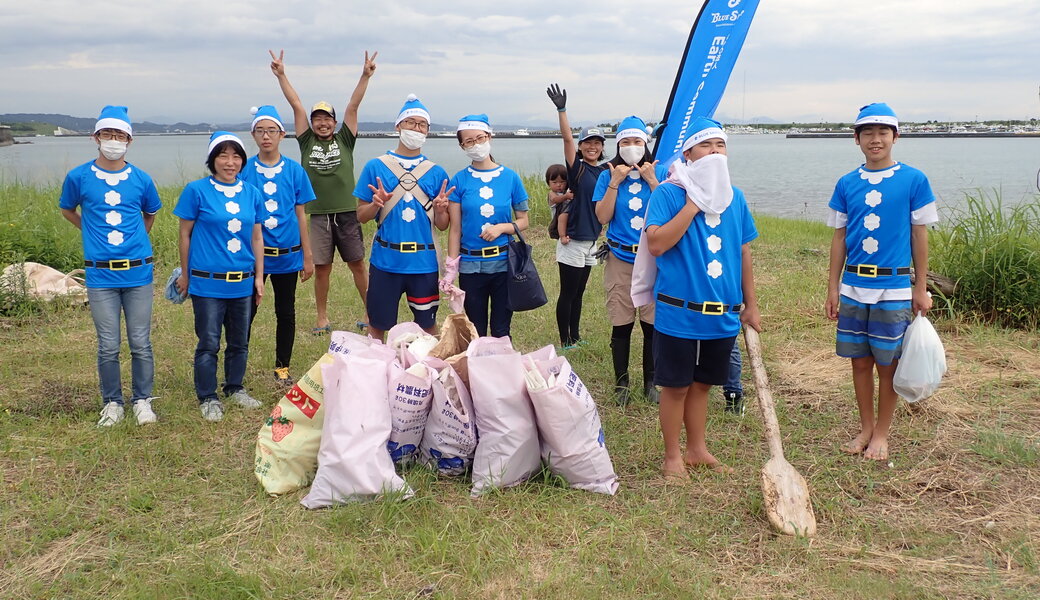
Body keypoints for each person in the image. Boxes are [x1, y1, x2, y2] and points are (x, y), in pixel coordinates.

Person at [644, 117, 761, 479]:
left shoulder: (734, 197)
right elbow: (658, 244)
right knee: (676, 386)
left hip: (722, 313)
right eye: (706, 146)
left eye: (720, 145)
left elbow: (742, 252)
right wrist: (694, 202)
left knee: (703, 384)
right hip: (679, 310)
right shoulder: (668, 193)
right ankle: (672, 456)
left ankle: (696, 449)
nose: (714, 152)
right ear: (689, 154)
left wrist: (751, 303)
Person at [825, 102, 937, 461]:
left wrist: (920, 287)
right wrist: (832, 287)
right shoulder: (846, 183)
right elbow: (839, 238)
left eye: (882, 132)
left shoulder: (914, 180)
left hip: (894, 287)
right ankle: (866, 427)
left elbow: (919, 236)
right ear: (856, 139)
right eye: (867, 133)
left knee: (888, 362)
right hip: (854, 285)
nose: (875, 140)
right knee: (859, 362)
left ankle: (883, 433)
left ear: (895, 137)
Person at [59, 105, 162, 427]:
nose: (114, 141)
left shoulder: (141, 179)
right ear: (96, 137)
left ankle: (142, 400)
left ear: (130, 141)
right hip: (100, 273)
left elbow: (150, 214)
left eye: (120, 136)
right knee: (108, 344)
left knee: (141, 341)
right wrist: (90, 232)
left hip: (138, 272)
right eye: (108, 135)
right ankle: (112, 402)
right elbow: (67, 209)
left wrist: (134, 241)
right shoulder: (78, 176)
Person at [269, 49, 376, 335]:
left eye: (326, 118)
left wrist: (364, 75)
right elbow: (296, 105)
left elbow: (353, 106)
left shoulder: (345, 139)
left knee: (357, 264)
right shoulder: (305, 141)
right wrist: (282, 74)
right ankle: (321, 317)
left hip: (347, 212)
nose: (322, 122)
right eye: (317, 119)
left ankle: (369, 311)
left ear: (334, 121)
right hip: (316, 214)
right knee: (322, 268)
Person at [174, 132, 265, 422]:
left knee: (240, 340)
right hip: (207, 282)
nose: (230, 162)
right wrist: (186, 275)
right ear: (212, 160)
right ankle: (207, 395)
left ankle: (235, 387)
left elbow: (257, 237)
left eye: (236, 156)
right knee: (209, 341)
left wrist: (259, 277)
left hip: (242, 280)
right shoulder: (196, 190)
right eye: (223, 156)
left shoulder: (251, 192)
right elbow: (185, 234)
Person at [355, 95, 452, 341]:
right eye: (411, 123)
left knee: (428, 328)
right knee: (377, 325)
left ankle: (427, 374)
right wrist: (375, 205)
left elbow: (442, 225)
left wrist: (441, 211)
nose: (416, 129)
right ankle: (375, 373)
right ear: (398, 126)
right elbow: (361, 216)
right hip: (386, 261)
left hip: (424, 262)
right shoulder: (375, 167)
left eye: (422, 125)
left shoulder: (436, 172)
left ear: (428, 131)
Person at [592, 115, 668, 406]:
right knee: (621, 322)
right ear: (618, 144)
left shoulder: (658, 174)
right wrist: (614, 182)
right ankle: (621, 382)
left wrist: (651, 180)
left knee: (651, 323)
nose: (632, 146)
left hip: (652, 259)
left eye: (637, 141)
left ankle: (651, 380)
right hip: (620, 258)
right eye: (625, 142)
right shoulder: (607, 176)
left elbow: (669, 212)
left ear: (646, 144)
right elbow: (602, 217)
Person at [241, 105, 316, 387]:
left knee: (286, 311)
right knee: (247, 310)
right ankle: (238, 366)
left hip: (287, 255)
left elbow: (300, 214)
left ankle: (282, 368)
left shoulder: (295, 171)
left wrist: (307, 255)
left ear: (282, 134)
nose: (266, 137)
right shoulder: (245, 169)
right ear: (253, 134)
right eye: (260, 131)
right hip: (252, 256)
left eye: (271, 130)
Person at [444, 114, 531, 338]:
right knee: (476, 330)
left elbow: (524, 221)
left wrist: (502, 228)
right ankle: (477, 371)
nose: (476, 145)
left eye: (480, 138)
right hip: (471, 266)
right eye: (469, 141)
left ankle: (502, 371)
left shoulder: (511, 178)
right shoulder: (459, 180)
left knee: (502, 330)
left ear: (489, 136)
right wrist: (450, 269)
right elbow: (455, 229)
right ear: (462, 146)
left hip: (504, 264)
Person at [546, 83, 606, 348]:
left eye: (597, 143)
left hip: (591, 241)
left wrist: (650, 136)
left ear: (603, 148)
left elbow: (635, 157)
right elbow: (567, 139)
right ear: (581, 147)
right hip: (572, 240)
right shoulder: (578, 169)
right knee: (568, 293)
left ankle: (576, 335)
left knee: (580, 293)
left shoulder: (604, 172)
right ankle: (565, 341)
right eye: (588, 143)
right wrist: (562, 110)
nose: (593, 147)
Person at [545, 163, 572, 240]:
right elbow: (555, 200)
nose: (559, 185)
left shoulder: (566, 191)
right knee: (562, 217)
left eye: (562, 182)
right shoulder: (552, 194)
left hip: (568, 222)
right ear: (548, 183)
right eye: (554, 182)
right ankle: (562, 237)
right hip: (557, 221)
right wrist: (566, 196)